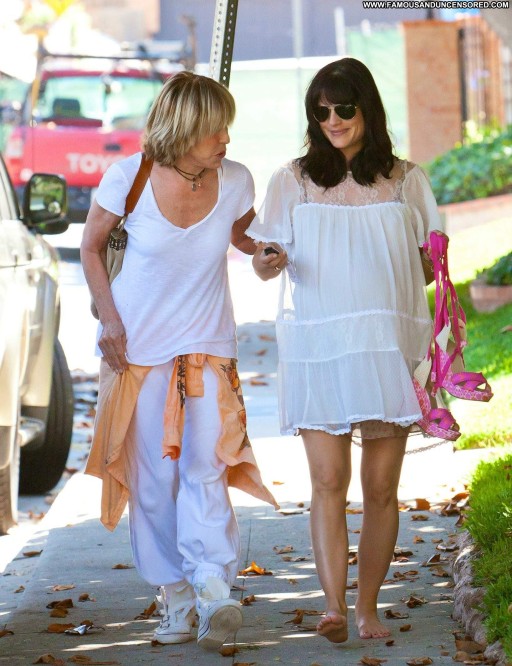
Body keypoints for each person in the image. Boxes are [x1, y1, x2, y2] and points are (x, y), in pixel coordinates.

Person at [247, 58, 442, 643]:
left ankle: (367, 609)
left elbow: (428, 267)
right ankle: (333, 608)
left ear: (368, 108)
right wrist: (268, 260)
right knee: (328, 480)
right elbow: (262, 262)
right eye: (321, 111)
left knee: (381, 489)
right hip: (321, 348)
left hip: (386, 350)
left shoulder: (407, 181)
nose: (332, 120)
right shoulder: (294, 180)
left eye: (343, 108)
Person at [81, 71, 277, 651]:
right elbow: (90, 247)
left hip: (209, 346)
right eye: (216, 129)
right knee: (153, 482)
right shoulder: (130, 178)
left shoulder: (235, 180)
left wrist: (265, 256)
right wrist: (109, 320)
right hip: (138, 352)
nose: (226, 140)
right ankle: (177, 597)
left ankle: (213, 586)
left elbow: (244, 238)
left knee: (206, 464)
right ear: (186, 127)